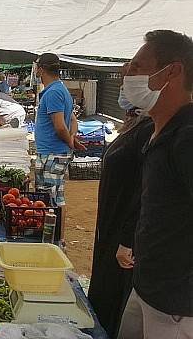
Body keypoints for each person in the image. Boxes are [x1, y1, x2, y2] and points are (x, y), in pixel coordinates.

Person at [117, 30, 193, 338]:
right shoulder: (159, 132)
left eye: (136, 67)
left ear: (172, 72)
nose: (127, 75)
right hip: (147, 287)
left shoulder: (187, 137)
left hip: (177, 305)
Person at [88, 63, 154, 338]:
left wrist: (128, 239)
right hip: (112, 225)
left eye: (131, 76)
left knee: (116, 294)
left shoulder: (155, 130)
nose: (125, 83)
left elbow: (146, 190)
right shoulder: (139, 123)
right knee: (105, 289)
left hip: (126, 235)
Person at [33, 53, 84, 236]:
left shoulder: (54, 92)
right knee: (55, 197)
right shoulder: (59, 89)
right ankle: (57, 238)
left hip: (52, 154)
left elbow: (60, 126)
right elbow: (73, 120)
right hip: (55, 152)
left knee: (49, 201)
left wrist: (70, 141)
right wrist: (72, 139)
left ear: (41, 69)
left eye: (36, 66)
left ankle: (54, 239)